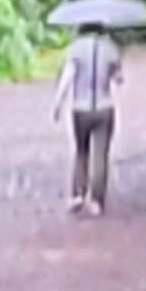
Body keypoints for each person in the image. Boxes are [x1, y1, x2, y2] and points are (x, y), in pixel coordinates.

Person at [54, 23, 123, 214]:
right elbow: (118, 79)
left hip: (80, 108)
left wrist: (57, 104)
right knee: (101, 155)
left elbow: (68, 77)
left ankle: (78, 193)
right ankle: (97, 200)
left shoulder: (75, 49)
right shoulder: (111, 49)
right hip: (104, 108)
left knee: (81, 151)